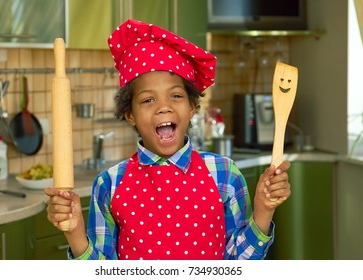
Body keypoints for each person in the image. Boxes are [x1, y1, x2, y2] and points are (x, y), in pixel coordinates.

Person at [44, 19, 291, 260]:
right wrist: (75, 234)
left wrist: (263, 210)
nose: (163, 107)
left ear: (193, 106)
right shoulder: (109, 184)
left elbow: (239, 261)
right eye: (148, 100)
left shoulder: (225, 174)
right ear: (130, 115)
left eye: (175, 95)